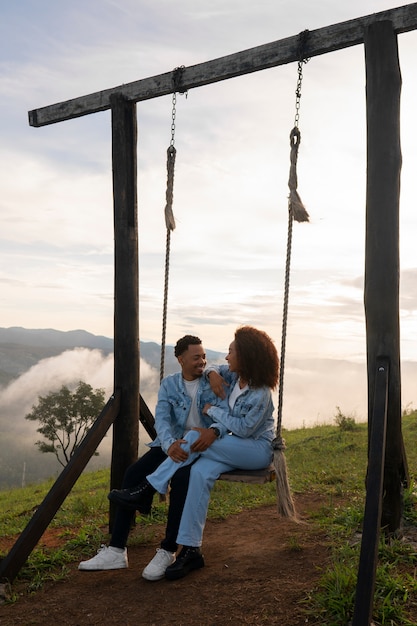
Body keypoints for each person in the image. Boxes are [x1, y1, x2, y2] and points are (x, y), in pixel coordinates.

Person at [109, 325, 279, 580]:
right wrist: (211, 374)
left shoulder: (260, 391)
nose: (226, 357)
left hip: (256, 449)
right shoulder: (231, 376)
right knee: (198, 474)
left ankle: (147, 489)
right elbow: (211, 369)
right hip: (232, 448)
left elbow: (244, 429)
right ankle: (191, 550)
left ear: (246, 355)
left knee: (193, 436)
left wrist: (212, 411)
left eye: (231, 352)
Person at [78, 334, 225, 581]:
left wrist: (211, 370)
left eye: (204, 357)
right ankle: (116, 549)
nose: (201, 361)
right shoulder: (170, 384)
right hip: (174, 444)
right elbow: (163, 420)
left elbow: (224, 372)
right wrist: (168, 446)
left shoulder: (212, 380)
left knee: (181, 480)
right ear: (180, 360)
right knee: (132, 474)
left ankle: (168, 549)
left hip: (202, 446)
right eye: (195, 357)